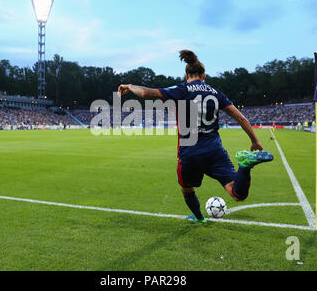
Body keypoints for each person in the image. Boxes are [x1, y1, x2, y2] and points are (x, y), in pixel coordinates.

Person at [117, 50, 274, 224]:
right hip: (215, 150)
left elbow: (146, 93)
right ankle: (244, 167)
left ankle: (199, 218)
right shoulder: (216, 92)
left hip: (190, 151)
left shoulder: (181, 89)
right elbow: (240, 117)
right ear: (204, 75)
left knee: (187, 188)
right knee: (236, 194)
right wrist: (255, 141)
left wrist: (130, 86)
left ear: (186, 75)